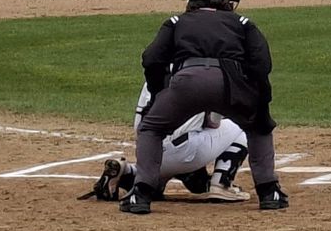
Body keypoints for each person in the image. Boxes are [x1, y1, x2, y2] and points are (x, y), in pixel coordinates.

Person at [119, 0, 289, 214]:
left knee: (151, 129)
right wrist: (257, 101)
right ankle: (269, 192)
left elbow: (151, 59)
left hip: (186, 82)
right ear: (222, 2)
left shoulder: (176, 22)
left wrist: (161, 90)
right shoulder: (243, 22)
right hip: (230, 83)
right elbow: (262, 63)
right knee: (258, 128)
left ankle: (141, 193)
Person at [79, 84, 252, 203]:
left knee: (153, 188)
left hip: (148, 152)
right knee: (244, 122)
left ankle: (128, 171)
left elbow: (139, 125)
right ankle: (221, 183)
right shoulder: (206, 74)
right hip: (186, 153)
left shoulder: (155, 70)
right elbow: (214, 123)